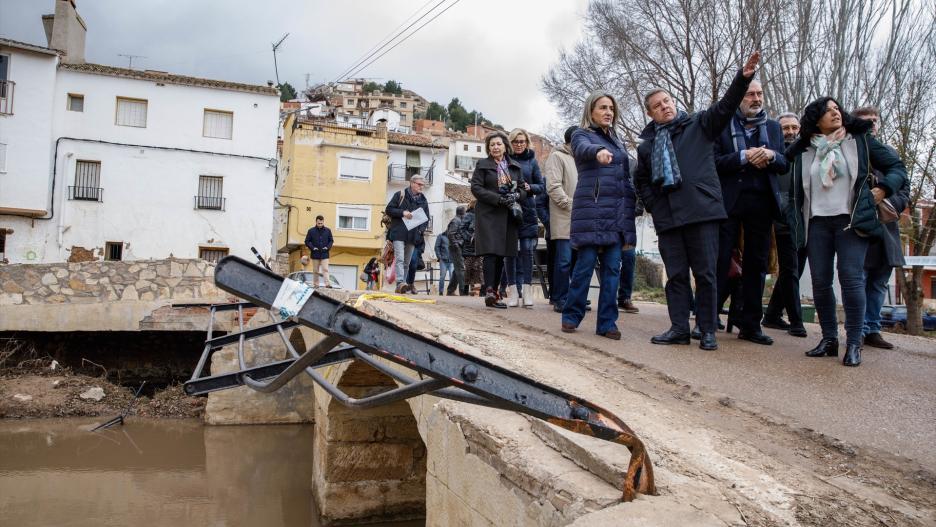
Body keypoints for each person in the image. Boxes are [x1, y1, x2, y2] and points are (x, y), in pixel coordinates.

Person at [634, 51, 761, 351]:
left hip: (702, 212)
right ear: (650, 114)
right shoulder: (647, 146)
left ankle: (706, 330)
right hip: (669, 219)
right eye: (656, 106)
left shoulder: (699, 124)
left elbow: (727, 105)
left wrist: (743, 78)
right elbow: (641, 180)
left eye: (666, 101)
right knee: (676, 276)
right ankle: (678, 327)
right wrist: (654, 205)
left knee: (705, 275)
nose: (664, 107)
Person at [786, 97, 906, 367]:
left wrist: (884, 189)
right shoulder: (804, 149)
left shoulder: (859, 141)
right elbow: (785, 171)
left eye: (837, 109)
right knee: (820, 282)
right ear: (816, 119)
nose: (835, 113)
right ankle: (829, 339)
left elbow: (898, 168)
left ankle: (854, 343)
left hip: (850, 222)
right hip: (816, 223)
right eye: (827, 111)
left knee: (851, 280)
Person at [713, 79, 789, 345]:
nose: (756, 98)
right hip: (729, 203)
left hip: (762, 204)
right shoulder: (722, 126)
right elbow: (715, 162)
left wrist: (769, 155)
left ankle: (751, 325)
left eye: (759, 93)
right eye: (750, 94)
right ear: (738, 98)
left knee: (757, 266)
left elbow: (783, 163)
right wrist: (744, 156)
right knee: (720, 261)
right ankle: (709, 319)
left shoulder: (773, 128)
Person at [561, 90, 637, 340]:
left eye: (611, 109)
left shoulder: (617, 140)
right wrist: (597, 152)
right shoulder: (582, 135)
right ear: (591, 111)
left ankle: (607, 323)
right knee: (584, 266)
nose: (608, 112)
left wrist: (633, 207)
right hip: (592, 212)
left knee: (613, 270)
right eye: (603, 107)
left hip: (615, 213)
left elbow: (626, 177)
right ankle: (571, 316)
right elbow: (582, 148)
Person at [854, 106, 910, 350]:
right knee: (860, 278)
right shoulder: (851, 151)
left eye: (875, 120)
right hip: (859, 226)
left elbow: (904, 190)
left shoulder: (888, 154)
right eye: (866, 121)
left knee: (878, 282)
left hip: (886, 227)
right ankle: (859, 328)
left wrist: (886, 202)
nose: (872, 125)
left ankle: (873, 328)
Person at [763, 112, 808, 337]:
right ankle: (797, 321)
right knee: (789, 270)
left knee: (795, 271)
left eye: (793, 127)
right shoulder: (773, 156)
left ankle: (772, 315)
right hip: (780, 221)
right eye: (785, 128)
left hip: (806, 221)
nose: (790, 132)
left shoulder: (808, 155)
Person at [471, 132, 526, 308]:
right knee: (490, 252)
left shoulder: (514, 167)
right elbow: (476, 188)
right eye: (492, 144)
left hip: (508, 215)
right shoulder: (482, 165)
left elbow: (524, 189)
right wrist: (497, 198)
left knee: (501, 254)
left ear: (505, 146)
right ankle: (489, 290)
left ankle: (494, 292)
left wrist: (517, 194)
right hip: (488, 213)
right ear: (488, 148)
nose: (495, 147)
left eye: (498, 144)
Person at [505, 128, 545, 307]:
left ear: (527, 142)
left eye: (522, 141)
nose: (519, 144)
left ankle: (528, 292)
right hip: (508, 210)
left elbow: (541, 186)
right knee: (510, 253)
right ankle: (513, 291)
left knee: (528, 251)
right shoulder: (504, 160)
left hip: (528, 211)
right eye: (515, 141)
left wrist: (530, 188)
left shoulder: (532, 161)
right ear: (510, 143)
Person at [544, 126, 579, 313]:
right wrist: (570, 204)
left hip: (580, 219)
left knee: (576, 261)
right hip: (565, 216)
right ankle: (559, 298)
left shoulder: (581, 159)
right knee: (564, 261)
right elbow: (553, 186)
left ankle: (571, 297)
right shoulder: (557, 157)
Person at [385, 175, 430, 294]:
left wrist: (420, 231)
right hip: (399, 233)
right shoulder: (400, 194)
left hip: (413, 235)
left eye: (422, 185)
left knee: (407, 262)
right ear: (412, 183)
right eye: (419, 184)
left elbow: (426, 219)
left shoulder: (423, 200)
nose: (421, 187)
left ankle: (402, 284)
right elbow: (389, 209)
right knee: (399, 259)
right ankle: (400, 283)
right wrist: (403, 213)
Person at [304, 215, 334, 288]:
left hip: (325, 253)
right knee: (315, 270)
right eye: (318, 223)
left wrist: (327, 247)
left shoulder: (328, 230)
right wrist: (313, 248)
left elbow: (331, 241)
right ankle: (316, 285)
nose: (320, 224)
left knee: (325, 269)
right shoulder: (311, 231)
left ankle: (327, 284)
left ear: (323, 222)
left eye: (321, 223)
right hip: (315, 254)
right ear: (316, 222)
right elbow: (307, 241)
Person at [460, 201, 482, 295]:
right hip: (469, 247)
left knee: (479, 268)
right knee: (468, 269)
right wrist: (470, 238)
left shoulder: (480, 215)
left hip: (479, 247)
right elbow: (462, 229)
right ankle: (464, 291)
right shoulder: (469, 215)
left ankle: (481, 291)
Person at [445, 206, 467, 295]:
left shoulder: (459, 220)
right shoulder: (455, 221)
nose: (466, 214)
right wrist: (456, 245)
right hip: (455, 248)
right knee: (461, 268)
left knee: (457, 269)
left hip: (457, 247)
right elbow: (450, 234)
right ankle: (463, 292)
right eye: (465, 212)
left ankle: (450, 290)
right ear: (462, 213)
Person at [435, 230, 454, 295]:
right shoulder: (441, 236)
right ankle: (441, 291)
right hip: (443, 260)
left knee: (452, 277)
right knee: (442, 276)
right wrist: (439, 257)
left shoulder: (453, 236)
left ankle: (450, 291)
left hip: (452, 260)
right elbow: (436, 247)